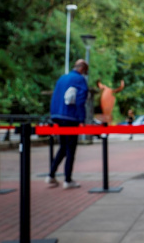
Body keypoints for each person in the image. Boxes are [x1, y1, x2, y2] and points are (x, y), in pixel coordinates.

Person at [45, 59, 89, 189]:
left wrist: (54, 116)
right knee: (71, 149)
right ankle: (68, 180)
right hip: (71, 118)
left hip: (58, 117)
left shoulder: (62, 78)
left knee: (63, 147)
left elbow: (55, 97)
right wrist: (81, 119)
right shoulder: (80, 80)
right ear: (82, 69)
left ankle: (51, 175)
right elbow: (80, 101)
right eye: (85, 71)